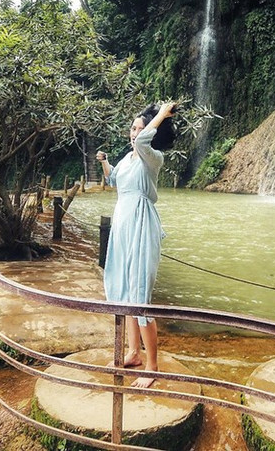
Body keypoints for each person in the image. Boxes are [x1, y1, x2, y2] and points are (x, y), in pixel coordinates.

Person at [96, 102, 176, 388]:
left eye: (140, 128)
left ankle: (153, 366)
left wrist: (161, 115)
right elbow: (113, 177)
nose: (135, 133)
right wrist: (104, 161)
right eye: (132, 128)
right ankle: (133, 353)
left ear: (150, 133)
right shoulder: (129, 160)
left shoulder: (151, 157)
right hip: (122, 226)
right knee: (124, 293)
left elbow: (144, 141)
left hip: (142, 226)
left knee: (140, 297)